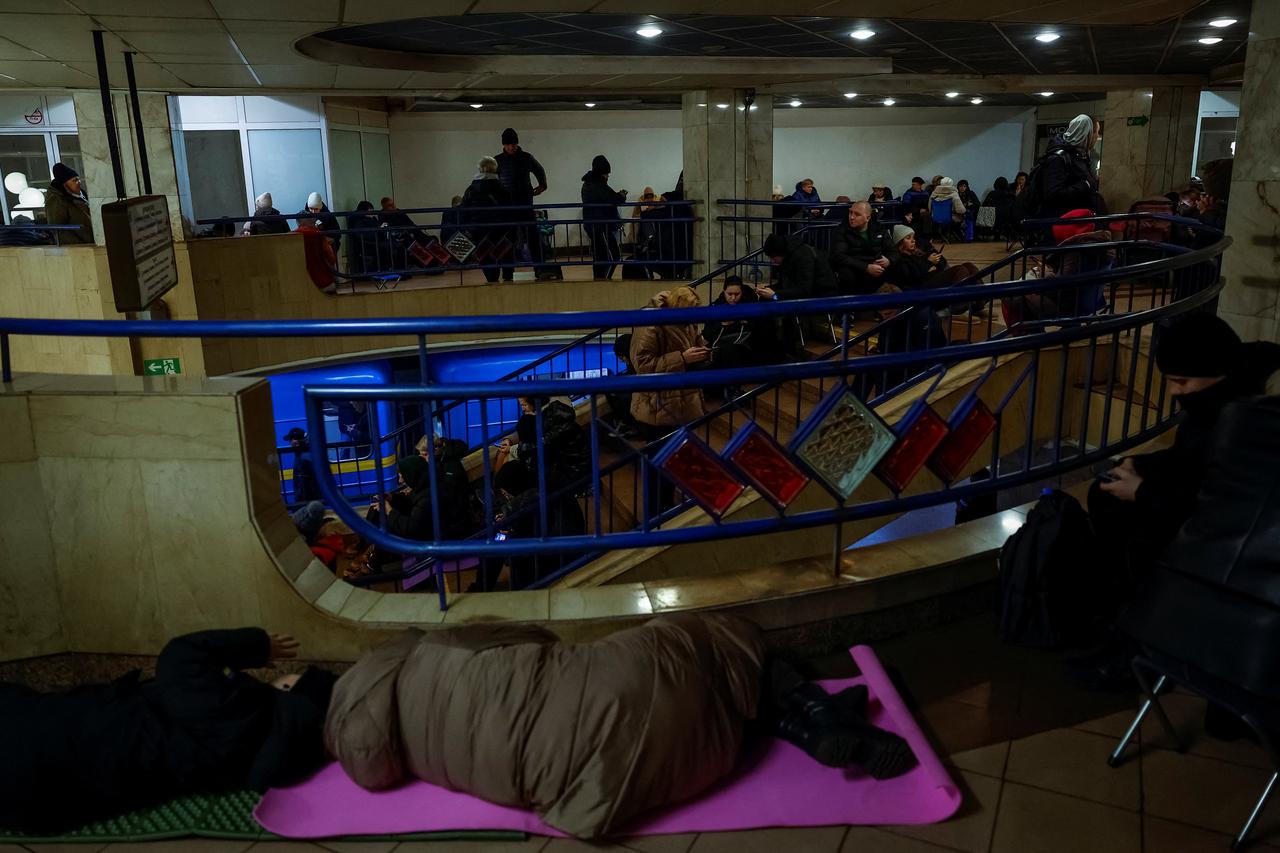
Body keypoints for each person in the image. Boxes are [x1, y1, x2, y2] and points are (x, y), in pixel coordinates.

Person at [326, 614, 914, 840]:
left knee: (704, 700)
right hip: (632, 696)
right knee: (710, 638)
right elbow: (534, 638)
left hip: (619, 785)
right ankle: (815, 713)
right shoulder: (430, 653)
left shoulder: (413, 757)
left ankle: (811, 725)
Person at [1070, 314, 1280, 688]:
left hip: (1231, 549)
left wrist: (1143, 491)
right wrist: (1140, 467)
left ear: (1218, 372)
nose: (1174, 392)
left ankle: (1145, 648)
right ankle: (1123, 619)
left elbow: (1226, 507)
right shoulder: (1220, 400)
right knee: (1105, 493)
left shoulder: (1247, 420)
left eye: (1181, 381)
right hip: (1203, 510)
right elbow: (1194, 460)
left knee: (1145, 530)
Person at [0, 628, 335, 833]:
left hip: (38, 743)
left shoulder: (239, 707)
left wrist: (259, 645)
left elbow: (180, 655)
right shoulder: (268, 759)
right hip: (43, 806)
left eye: (288, 679)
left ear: (290, 690)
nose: (278, 678)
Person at [502, 395, 590, 491]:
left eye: (524, 405)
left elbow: (540, 445)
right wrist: (510, 439)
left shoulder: (553, 421)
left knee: (520, 470)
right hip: (561, 462)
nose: (523, 409)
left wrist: (512, 449)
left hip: (572, 468)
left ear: (533, 403)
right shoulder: (548, 412)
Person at [495, 127, 548, 280]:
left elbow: (539, 170)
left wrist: (542, 186)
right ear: (504, 145)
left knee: (532, 238)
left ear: (517, 143)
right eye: (508, 145)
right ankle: (507, 273)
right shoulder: (499, 160)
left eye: (513, 144)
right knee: (508, 240)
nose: (511, 147)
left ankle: (539, 269)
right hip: (508, 206)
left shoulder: (526, 157)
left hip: (524, 202)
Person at [702, 275, 779, 369]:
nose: (733, 298)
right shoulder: (716, 306)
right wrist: (722, 324)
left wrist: (743, 322)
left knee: (729, 351)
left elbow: (765, 332)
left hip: (749, 348)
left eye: (737, 294)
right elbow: (707, 333)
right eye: (729, 294)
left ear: (742, 292)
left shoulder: (753, 305)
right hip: (721, 347)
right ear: (724, 292)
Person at [1037, 114, 1102, 219]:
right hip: (1064, 226)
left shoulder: (1081, 157)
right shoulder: (1058, 158)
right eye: (1096, 132)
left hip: (1079, 223)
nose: (1097, 136)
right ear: (1087, 134)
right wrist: (1084, 185)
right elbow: (1053, 195)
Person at [462, 156, 513, 283]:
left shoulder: (471, 189)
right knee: (504, 251)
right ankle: (508, 276)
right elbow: (509, 207)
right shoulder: (501, 187)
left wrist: (467, 228)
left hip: (478, 230)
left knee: (485, 256)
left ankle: (491, 279)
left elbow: (464, 211)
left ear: (479, 170)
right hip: (499, 229)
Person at [885, 224, 980, 292]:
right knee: (960, 270)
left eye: (913, 237)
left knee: (969, 267)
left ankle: (979, 306)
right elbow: (913, 276)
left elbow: (942, 264)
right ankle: (957, 307)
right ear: (900, 242)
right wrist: (929, 262)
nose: (913, 240)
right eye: (908, 238)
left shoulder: (917, 252)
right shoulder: (899, 258)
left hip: (929, 279)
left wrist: (937, 259)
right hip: (919, 287)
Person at [828, 201, 891, 295]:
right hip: (856, 270)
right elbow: (838, 256)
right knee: (847, 275)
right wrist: (866, 267)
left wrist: (889, 260)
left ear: (868, 218)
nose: (851, 217)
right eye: (850, 212)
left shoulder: (879, 229)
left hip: (877, 267)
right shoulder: (842, 231)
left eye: (857, 214)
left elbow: (893, 250)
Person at [581, 154, 627, 280]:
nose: (607, 177)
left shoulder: (591, 183)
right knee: (610, 257)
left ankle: (601, 281)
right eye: (606, 174)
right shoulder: (596, 184)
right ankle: (602, 283)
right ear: (601, 173)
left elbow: (608, 197)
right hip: (599, 225)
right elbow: (613, 198)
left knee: (604, 257)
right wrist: (622, 195)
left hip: (597, 225)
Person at [44, 162, 92, 244]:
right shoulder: (57, 200)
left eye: (78, 179)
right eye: (75, 180)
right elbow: (58, 229)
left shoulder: (80, 193)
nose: (79, 182)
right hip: (80, 244)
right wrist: (80, 244)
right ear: (65, 184)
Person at [283, 427, 319, 504]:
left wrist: (299, 501)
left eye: (290, 441)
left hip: (306, 499)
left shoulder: (302, 457)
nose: (290, 444)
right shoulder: (307, 453)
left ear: (296, 442)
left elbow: (302, 481)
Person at [346, 200, 380, 275]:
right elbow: (363, 235)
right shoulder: (359, 221)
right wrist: (379, 230)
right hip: (369, 244)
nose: (372, 214)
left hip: (374, 241)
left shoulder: (370, 219)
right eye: (370, 211)